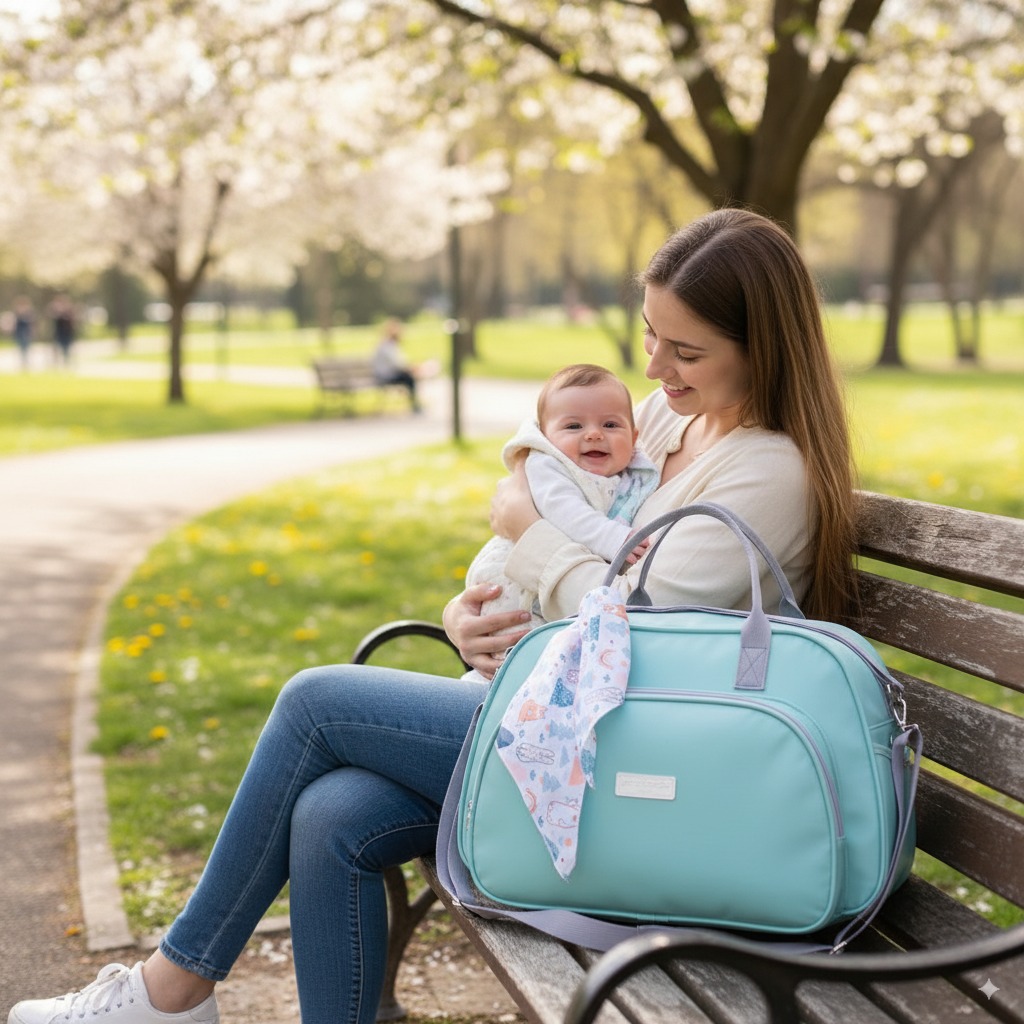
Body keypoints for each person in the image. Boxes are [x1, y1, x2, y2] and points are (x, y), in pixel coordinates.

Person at [8, 209, 857, 1024]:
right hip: (563, 716)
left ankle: (171, 990)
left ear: (762, 347)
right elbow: (555, 521)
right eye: (649, 334)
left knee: (315, 700)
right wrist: (469, 611)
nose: (654, 369)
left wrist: (526, 536)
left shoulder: (766, 472)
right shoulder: (678, 418)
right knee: (333, 811)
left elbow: (627, 618)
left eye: (685, 350)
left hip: (635, 761)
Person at [465, 362, 658, 647]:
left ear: (634, 437)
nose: (594, 434)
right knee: (514, 633)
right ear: (546, 438)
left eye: (610, 424)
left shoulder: (630, 477)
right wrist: (615, 539)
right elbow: (565, 512)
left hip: (559, 586)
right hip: (513, 577)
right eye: (573, 426)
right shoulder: (548, 466)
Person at [371, 317, 421, 413]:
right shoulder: (386, 346)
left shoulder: (391, 345)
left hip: (388, 373)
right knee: (409, 378)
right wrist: (411, 368)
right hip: (385, 376)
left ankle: (415, 404)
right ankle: (415, 405)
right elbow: (397, 364)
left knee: (409, 377)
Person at [13, 297, 34, 371]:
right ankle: (22, 363)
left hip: (26, 333)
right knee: (21, 348)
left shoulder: (29, 313)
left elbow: (31, 324)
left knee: (26, 348)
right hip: (19, 333)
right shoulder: (17, 313)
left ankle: (26, 363)